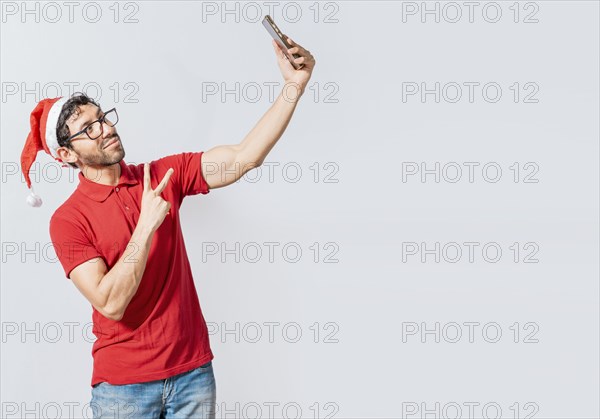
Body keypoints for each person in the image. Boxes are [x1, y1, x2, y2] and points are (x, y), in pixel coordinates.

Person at [19, 38, 315, 418]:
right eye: (88, 128)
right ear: (66, 155)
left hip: (193, 375)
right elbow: (110, 302)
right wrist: (145, 227)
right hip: (123, 391)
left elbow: (244, 157)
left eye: (103, 117)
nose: (105, 129)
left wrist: (294, 86)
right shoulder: (68, 220)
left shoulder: (161, 176)